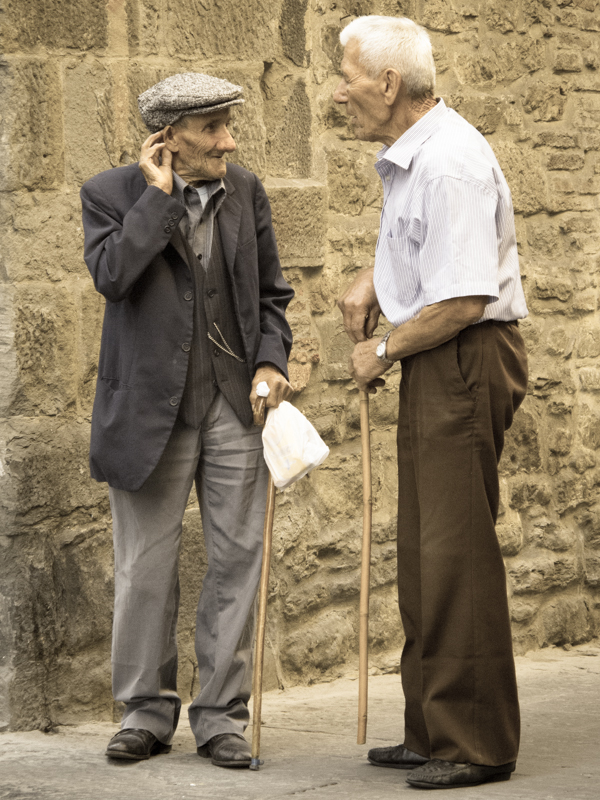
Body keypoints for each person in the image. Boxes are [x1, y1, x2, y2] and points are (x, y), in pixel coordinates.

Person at [333, 16, 529, 790]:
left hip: (459, 356)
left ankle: (475, 742)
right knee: (424, 552)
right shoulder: (418, 157)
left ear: (387, 84)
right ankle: (432, 730)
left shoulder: (446, 163)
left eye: (346, 73)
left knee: (456, 556)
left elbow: (463, 298)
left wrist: (382, 350)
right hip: (439, 357)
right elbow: (425, 259)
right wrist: (373, 282)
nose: (338, 89)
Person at [80, 72, 294, 768]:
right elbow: (112, 274)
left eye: (227, 126)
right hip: (149, 414)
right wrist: (157, 199)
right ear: (167, 139)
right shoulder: (109, 195)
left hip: (235, 407)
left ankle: (221, 715)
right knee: (144, 568)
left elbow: (270, 296)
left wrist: (270, 362)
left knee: (236, 561)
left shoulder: (246, 192)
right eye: (212, 130)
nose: (227, 141)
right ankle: (144, 712)